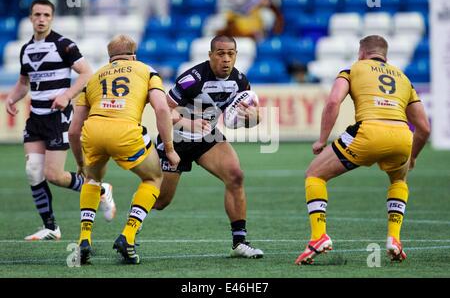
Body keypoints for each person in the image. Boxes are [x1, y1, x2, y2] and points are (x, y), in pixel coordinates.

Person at [295, 35, 431, 265]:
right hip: (401, 136)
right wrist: (413, 156)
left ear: (362, 53)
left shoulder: (352, 69)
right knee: (399, 181)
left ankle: (319, 236)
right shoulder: (405, 79)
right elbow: (424, 128)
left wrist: (321, 140)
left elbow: (332, 102)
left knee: (314, 175)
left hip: (368, 133)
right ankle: (394, 239)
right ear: (385, 56)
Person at [5, 0, 116, 241]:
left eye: (46, 15)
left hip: (58, 118)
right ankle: (51, 227)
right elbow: (24, 84)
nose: (41, 19)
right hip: (36, 118)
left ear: (52, 18)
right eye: (37, 15)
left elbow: (87, 73)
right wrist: (11, 99)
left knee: (54, 175)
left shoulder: (64, 45)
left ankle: (99, 189)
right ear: (31, 18)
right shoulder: (26, 49)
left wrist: (67, 95)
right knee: (33, 172)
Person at [68, 34, 180, 265]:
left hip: (94, 130)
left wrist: (80, 163)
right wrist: (169, 148)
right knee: (154, 177)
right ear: (134, 56)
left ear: (111, 59)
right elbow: (161, 109)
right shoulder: (146, 70)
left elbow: (73, 130)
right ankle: (128, 236)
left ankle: (84, 239)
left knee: (92, 179)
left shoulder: (94, 76)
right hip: (125, 131)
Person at [153, 35, 264, 259]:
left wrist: (254, 116)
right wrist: (188, 122)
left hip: (207, 136)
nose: (226, 59)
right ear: (210, 55)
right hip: (177, 138)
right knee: (161, 201)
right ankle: (128, 228)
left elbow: (251, 120)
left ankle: (239, 242)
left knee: (235, 176)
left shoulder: (240, 81)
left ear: (236, 55)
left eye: (230, 54)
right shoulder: (192, 78)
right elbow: (163, 111)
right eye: (220, 53)